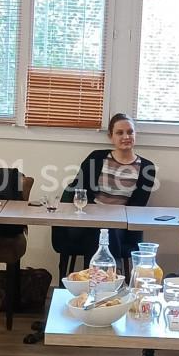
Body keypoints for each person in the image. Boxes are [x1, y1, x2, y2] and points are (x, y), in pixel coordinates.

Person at [72, 113, 157, 264]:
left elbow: (137, 206)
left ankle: (102, 273)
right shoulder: (96, 158)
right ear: (110, 136)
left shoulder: (146, 167)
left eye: (130, 132)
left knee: (108, 230)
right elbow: (79, 191)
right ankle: (110, 272)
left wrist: (112, 220)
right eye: (119, 133)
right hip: (91, 220)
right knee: (100, 230)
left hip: (121, 224)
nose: (126, 137)